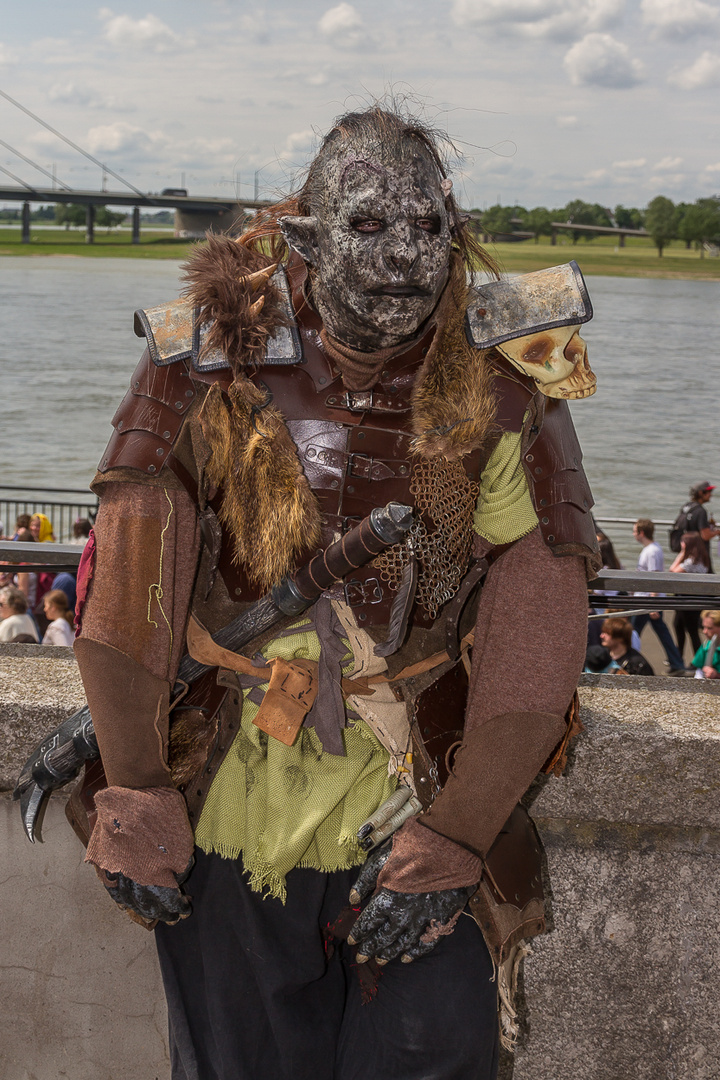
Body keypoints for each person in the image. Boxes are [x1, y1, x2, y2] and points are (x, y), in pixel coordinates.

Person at [68, 105, 600, 1080]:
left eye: (425, 228)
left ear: (452, 225)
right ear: (308, 236)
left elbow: (541, 620)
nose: (403, 256)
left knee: (433, 1053)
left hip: (423, 793)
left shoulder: (509, 373)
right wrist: (138, 791)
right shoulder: (199, 358)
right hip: (233, 793)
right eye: (366, 228)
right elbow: (126, 595)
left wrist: (463, 829)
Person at [631, 518, 685, 674]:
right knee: (660, 631)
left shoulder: (652, 551)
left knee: (632, 631)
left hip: (647, 601)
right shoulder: (651, 549)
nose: (633, 534)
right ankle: (677, 663)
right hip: (647, 600)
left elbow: (654, 577)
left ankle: (628, 660)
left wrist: (653, 604)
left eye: (635, 531)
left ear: (641, 533)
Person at [669, 531, 710, 658]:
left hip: (688, 600)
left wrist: (681, 554)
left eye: (683, 542)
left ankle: (696, 660)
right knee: (679, 626)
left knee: (691, 631)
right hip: (692, 598)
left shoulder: (691, 562)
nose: (681, 544)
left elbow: (672, 570)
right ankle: (679, 656)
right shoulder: (701, 558)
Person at [671, 483, 720, 572]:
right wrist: (717, 532)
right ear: (701, 493)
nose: (711, 494)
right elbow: (705, 535)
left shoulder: (686, 507)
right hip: (699, 555)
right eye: (709, 491)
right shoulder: (701, 511)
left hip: (686, 551)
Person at [690, 610, 720, 679]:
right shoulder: (706, 645)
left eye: (709, 628)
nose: (704, 631)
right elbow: (699, 671)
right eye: (704, 627)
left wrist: (717, 675)